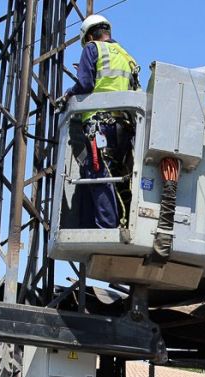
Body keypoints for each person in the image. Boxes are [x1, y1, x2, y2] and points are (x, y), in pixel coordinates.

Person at [57, 14, 139, 229]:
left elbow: (85, 84)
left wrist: (68, 95)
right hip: (124, 128)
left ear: (91, 35)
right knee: (120, 177)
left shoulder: (93, 49)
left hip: (100, 125)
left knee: (97, 176)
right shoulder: (127, 56)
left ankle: (106, 228)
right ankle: (125, 222)